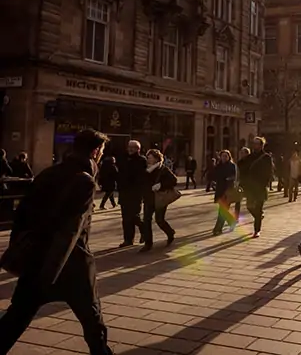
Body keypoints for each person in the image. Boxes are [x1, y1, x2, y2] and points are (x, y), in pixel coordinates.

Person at [0, 129, 114, 354]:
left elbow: (21, 217)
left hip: (38, 261)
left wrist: (21, 254)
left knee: (16, 318)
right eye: (101, 151)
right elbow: (70, 232)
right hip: (69, 265)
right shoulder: (85, 181)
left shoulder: (48, 173)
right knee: (92, 320)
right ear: (95, 151)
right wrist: (48, 274)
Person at [140, 149, 177, 252]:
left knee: (159, 220)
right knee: (146, 220)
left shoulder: (163, 169)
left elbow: (174, 180)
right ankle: (148, 244)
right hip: (148, 198)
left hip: (160, 199)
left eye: (150, 158)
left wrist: (161, 185)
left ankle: (170, 233)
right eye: (147, 157)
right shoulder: (146, 169)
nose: (148, 159)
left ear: (156, 159)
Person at [238, 137, 273, 238]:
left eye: (257, 144)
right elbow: (243, 169)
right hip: (250, 186)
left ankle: (257, 230)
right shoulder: (250, 157)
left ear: (262, 145)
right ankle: (259, 216)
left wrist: (264, 183)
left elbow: (269, 172)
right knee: (249, 206)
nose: (255, 145)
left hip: (260, 186)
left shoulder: (266, 157)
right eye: (254, 143)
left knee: (258, 208)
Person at [117, 140, 146, 248]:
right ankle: (128, 240)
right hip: (124, 192)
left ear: (138, 149)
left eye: (133, 147)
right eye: (129, 147)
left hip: (135, 193)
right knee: (125, 218)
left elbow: (142, 177)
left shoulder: (141, 160)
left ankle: (144, 230)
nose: (130, 149)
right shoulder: (123, 159)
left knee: (134, 216)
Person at [212, 150, 238, 235]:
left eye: (226, 156)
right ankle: (231, 222)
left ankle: (217, 229)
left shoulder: (232, 166)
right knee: (223, 210)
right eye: (222, 156)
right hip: (220, 190)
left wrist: (228, 179)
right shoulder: (219, 166)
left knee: (222, 210)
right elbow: (214, 175)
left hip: (228, 190)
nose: (224, 157)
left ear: (229, 157)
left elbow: (234, 176)